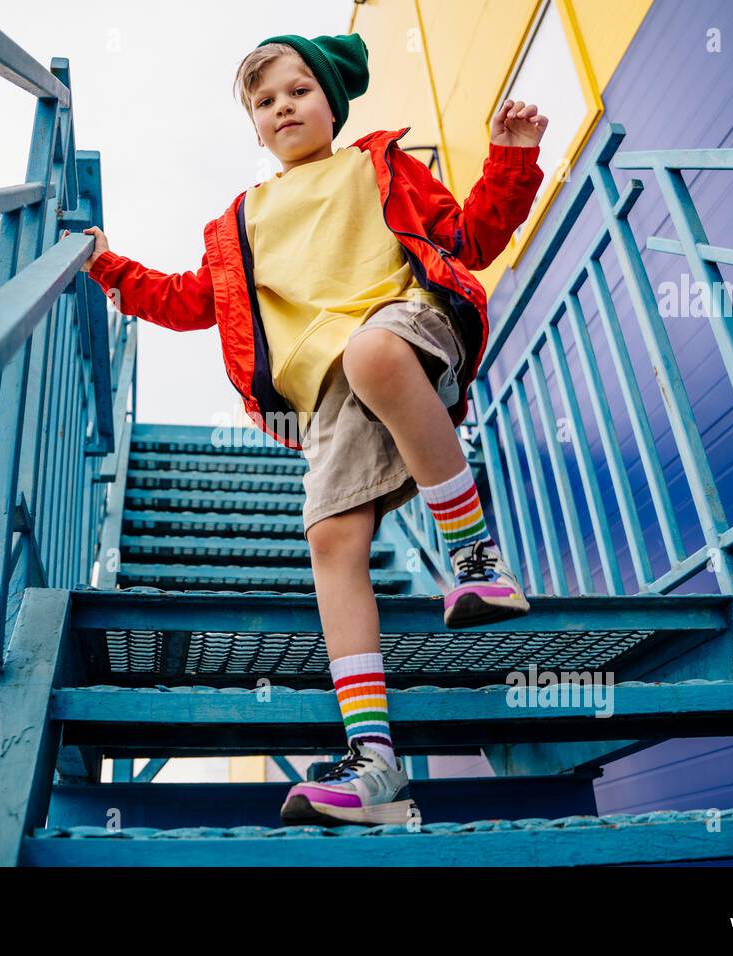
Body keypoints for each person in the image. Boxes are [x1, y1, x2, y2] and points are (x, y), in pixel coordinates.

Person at [67, 33, 546, 826]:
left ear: (331, 102)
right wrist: (107, 266)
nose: (282, 107)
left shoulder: (376, 165)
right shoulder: (244, 222)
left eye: (297, 91)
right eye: (264, 102)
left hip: (407, 329)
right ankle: (374, 762)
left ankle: (474, 555)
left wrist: (512, 158)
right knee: (330, 539)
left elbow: (472, 238)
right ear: (255, 128)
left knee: (376, 351)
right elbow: (188, 302)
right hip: (325, 392)